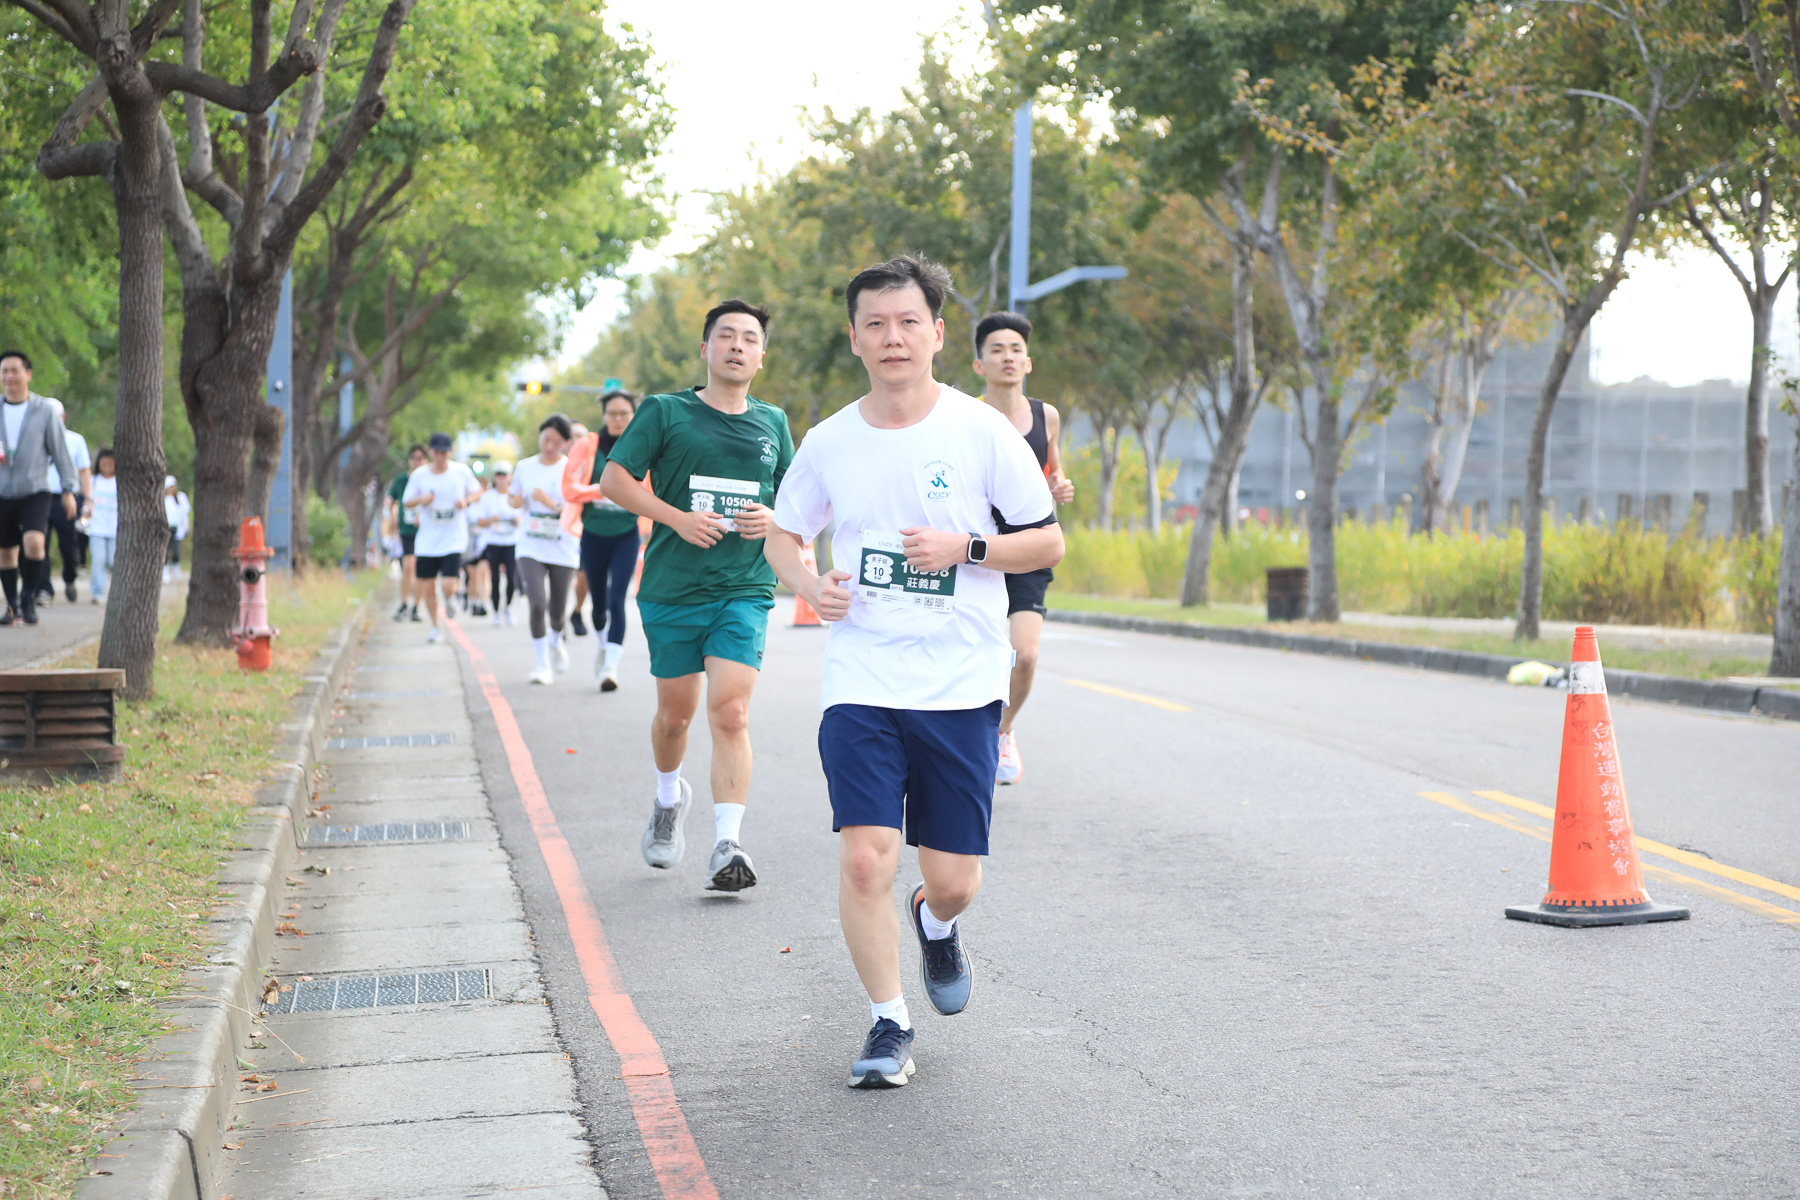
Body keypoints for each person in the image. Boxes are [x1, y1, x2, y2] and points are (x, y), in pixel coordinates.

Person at [764, 256, 1062, 1089]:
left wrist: (966, 547)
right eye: (875, 324)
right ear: (854, 338)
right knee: (866, 858)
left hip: (962, 681)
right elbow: (784, 534)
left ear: (935, 334)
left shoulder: (981, 430)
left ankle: (935, 921)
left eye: (907, 322)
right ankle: (889, 1023)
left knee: (954, 881)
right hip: (862, 676)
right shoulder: (829, 440)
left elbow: (1046, 540)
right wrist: (809, 587)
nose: (891, 337)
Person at [600, 300, 794, 892]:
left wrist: (775, 518)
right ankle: (668, 797)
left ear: (762, 356)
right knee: (675, 717)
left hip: (743, 587)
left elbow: (797, 498)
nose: (737, 346)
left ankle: (727, 844)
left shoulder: (774, 423)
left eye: (750, 338)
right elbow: (614, 480)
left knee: (731, 711)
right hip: (673, 588)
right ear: (705, 349)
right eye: (726, 336)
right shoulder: (665, 411)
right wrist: (676, 518)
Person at [971, 312, 1075, 785]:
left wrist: (1060, 484)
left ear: (1028, 362)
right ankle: (967, 733)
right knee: (977, 652)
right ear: (980, 365)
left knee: (1025, 655)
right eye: (997, 349)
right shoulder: (967, 417)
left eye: (1016, 349)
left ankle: (1002, 732)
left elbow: (1053, 470)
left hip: (1029, 550)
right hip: (978, 552)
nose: (1007, 357)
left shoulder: (1046, 415)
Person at [563, 389, 644, 692]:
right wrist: (601, 490)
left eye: (624, 413)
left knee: (616, 599)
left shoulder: (643, 445)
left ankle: (610, 667)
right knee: (598, 606)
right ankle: (602, 644)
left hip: (627, 534)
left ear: (633, 416)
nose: (618, 419)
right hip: (593, 534)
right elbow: (568, 488)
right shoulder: (587, 446)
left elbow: (653, 489)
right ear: (604, 416)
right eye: (612, 413)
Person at [0, 351, 79, 625]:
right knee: (5, 552)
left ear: (28, 374)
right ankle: (12, 606)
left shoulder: (44, 410)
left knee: (34, 543)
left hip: (36, 489)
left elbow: (60, 451)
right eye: (4, 371)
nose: (9, 376)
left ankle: (28, 597)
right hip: (3, 491)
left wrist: (68, 489)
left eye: (14, 370)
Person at [509, 415, 582, 684]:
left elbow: (577, 508)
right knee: (537, 603)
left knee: (558, 610)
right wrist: (515, 501)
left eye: (557, 442)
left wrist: (550, 503)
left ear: (567, 443)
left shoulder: (572, 469)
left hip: (563, 545)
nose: (550, 446)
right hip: (530, 543)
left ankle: (555, 641)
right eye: (546, 439)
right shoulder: (525, 466)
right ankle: (542, 664)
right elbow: (513, 497)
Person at [401, 432, 480, 643]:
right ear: (431, 452)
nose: (440, 456)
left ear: (450, 452)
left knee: (447, 584)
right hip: (428, 540)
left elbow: (477, 492)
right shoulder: (420, 475)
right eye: (436, 452)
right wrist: (421, 499)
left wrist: (466, 501)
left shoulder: (460, 471)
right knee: (428, 587)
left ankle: (451, 595)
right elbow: (407, 501)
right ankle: (436, 626)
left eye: (444, 452)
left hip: (453, 538)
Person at [41, 402, 92, 605]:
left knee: (69, 545)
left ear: (62, 417)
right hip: (41, 497)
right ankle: (44, 589)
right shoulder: (36, 439)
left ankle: (70, 577)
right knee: (39, 543)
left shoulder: (75, 440)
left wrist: (88, 499)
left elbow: (84, 471)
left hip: (67, 498)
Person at [387, 444, 428, 622]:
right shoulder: (401, 480)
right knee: (408, 566)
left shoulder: (429, 479)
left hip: (426, 531)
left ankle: (416, 606)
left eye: (420, 458)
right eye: (413, 458)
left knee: (421, 569)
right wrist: (392, 519)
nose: (416, 462)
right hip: (407, 529)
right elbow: (391, 500)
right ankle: (404, 602)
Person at [476, 462, 520, 625]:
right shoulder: (487, 497)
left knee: (511, 577)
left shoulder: (515, 497)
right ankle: (495, 611)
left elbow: (523, 517)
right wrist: (491, 520)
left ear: (510, 477)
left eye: (504, 476)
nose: (501, 479)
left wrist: (516, 520)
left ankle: (508, 607)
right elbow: (479, 521)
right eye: (498, 476)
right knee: (494, 578)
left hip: (511, 542)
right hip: (493, 542)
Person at [87, 447, 117, 603]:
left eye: (110, 463)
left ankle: (116, 591)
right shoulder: (93, 481)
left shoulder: (120, 482)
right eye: (104, 463)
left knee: (113, 561)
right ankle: (98, 593)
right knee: (98, 560)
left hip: (115, 529)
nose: (107, 466)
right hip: (97, 528)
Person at [463, 473, 491, 618]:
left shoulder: (488, 503)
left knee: (484, 573)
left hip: (484, 543)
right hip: (470, 544)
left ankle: (483, 602)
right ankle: (472, 601)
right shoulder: (468, 505)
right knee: (472, 575)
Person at [162, 476, 191, 584]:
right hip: (165, 528)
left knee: (175, 551)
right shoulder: (163, 498)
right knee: (165, 550)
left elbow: (185, 514)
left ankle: (176, 569)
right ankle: (165, 571)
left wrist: (186, 527)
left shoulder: (180, 497)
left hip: (177, 529)